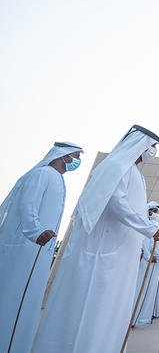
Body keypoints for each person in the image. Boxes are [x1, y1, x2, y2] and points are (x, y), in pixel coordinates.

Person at [33, 125, 159, 352]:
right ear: (139, 144)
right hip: (103, 255)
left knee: (110, 308)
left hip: (121, 255)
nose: (154, 149)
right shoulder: (116, 166)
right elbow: (116, 202)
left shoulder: (135, 173)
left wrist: (150, 227)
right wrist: (148, 228)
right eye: (152, 144)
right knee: (93, 306)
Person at [0, 141, 83, 353]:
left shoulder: (58, 180)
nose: (78, 161)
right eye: (76, 156)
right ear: (63, 156)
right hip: (26, 248)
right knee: (13, 299)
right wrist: (35, 232)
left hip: (40, 250)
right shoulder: (42, 174)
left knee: (28, 302)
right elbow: (28, 206)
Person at [133, 213, 159, 326]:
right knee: (142, 290)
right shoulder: (148, 235)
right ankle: (138, 317)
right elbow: (148, 249)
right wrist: (154, 257)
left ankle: (145, 316)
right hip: (147, 265)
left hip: (156, 266)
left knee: (150, 292)